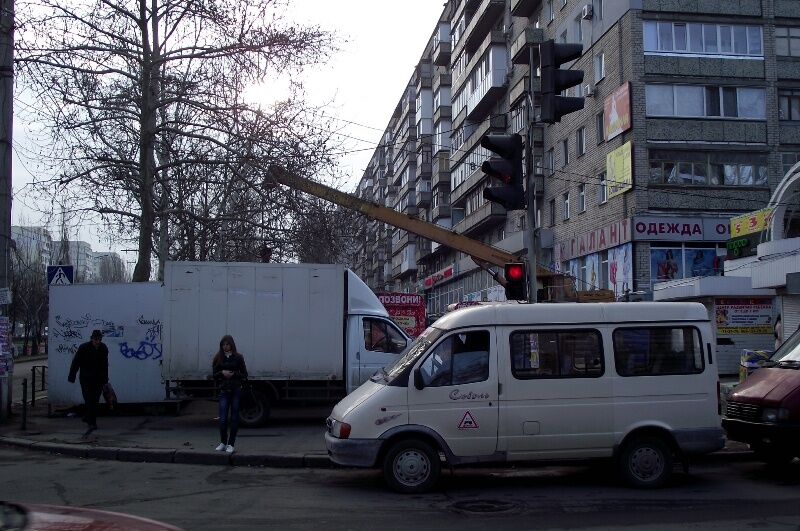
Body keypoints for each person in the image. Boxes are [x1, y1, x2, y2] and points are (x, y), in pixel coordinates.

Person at [67, 330, 109, 437]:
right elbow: (76, 362)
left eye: (99, 340)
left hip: (98, 379)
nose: (97, 342)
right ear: (92, 339)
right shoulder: (84, 348)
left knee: (95, 401)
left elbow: (105, 365)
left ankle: (88, 418)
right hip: (86, 379)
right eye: (96, 340)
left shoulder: (103, 348)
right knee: (89, 399)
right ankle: (92, 423)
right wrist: (72, 376)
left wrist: (105, 380)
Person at [212, 335, 248, 454]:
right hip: (224, 391)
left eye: (227, 344)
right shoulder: (218, 358)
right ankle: (223, 442)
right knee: (222, 419)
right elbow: (214, 375)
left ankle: (231, 444)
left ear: (231, 344)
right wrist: (222, 372)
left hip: (236, 390)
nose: (225, 347)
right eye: (223, 344)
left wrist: (234, 374)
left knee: (234, 418)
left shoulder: (238, 357)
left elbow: (244, 374)